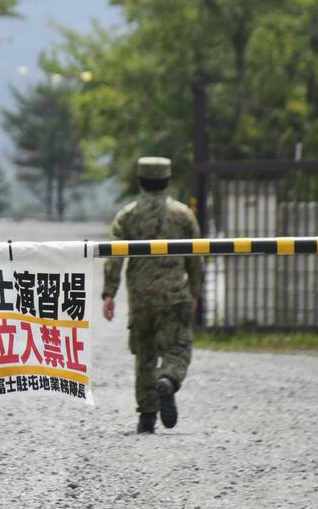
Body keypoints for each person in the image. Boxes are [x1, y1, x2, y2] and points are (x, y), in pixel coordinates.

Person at [102, 157, 204, 434]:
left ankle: (147, 417)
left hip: (141, 297)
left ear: (140, 182)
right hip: (174, 294)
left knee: (144, 356)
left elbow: (114, 257)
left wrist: (109, 293)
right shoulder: (183, 216)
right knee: (178, 348)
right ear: (167, 181)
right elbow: (196, 258)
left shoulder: (127, 216)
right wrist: (195, 291)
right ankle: (168, 380)